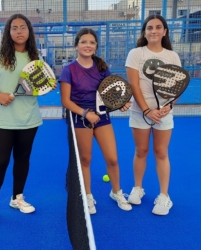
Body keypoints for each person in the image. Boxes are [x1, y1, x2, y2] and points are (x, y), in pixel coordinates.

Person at [0, 14, 54, 227]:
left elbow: (36, 87)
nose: (19, 31)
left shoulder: (35, 57)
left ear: (29, 31)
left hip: (29, 119)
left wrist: (46, 87)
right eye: (14, 28)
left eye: (23, 27)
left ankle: (17, 198)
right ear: (8, 32)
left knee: (22, 159)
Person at [60, 28, 132, 214]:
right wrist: (85, 113)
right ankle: (88, 196)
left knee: (113, 159)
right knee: (85, 159)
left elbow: (112, 93)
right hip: (80, 119)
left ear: (96, 46)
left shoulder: (102, 68)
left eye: (92, 42)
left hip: (102, 118)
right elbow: (66, 101)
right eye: (84, 42)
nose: (88, 45)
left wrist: (121, 103)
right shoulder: (68, 70)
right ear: (76, 45)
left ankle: (117, 192)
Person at [125, 15, 181, 215]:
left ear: (165, 31)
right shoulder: (135, 53)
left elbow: (176, 87)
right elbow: (133, 85)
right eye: (150, 27)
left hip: (164, 113)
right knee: (141, 151)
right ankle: (137, 188)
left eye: (158, 27)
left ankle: (164, 196)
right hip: (140, 112)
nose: (154, 31)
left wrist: (169, 106)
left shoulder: (173, 57)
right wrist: (147, 110)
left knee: (161, 152)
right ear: (144, 32)